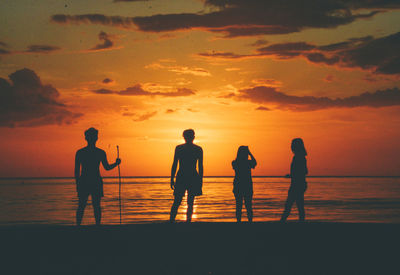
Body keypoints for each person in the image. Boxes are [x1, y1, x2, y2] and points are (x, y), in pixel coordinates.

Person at [74, 127, 121, 226]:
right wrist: (116, 164)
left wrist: (78, 184)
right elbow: (107, 168)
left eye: (94, 136)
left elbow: (76, 171)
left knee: (84, 205)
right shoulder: (99, 152)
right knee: (94, 206)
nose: (93, 138)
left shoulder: (81, 152)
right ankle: (96, 226)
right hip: (92, 181)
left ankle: (80, 226)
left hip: (87, 181)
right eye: (93, 136)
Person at [170, 129, 203, 223]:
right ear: (193, 137)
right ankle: (186, 221)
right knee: (187, 202)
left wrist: (172, 178)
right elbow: (200, 167)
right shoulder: (197, 149)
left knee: (178, 201)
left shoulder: (180, 148)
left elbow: (174, 164)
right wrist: (200, 180)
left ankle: (174, 221)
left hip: (184, 176)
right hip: (189, 176)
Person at [280, 138, 308, 222]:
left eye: (292, 145)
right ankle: (300, 222)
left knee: (289, 205)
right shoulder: (301, 157)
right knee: (299, 205)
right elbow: (305, 171)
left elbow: (304, 171)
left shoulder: (298, 157)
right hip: (300, 184)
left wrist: (292, 175)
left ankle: (281, 222)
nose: (291, 147)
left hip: (297, 184)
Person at [232, 146, 257, 222]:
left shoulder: (236, 162)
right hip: (245, 186)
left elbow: (255, 163)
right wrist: (250, 153)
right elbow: (255, 162)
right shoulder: (245, 163)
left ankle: (240, 221)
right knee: (247, 205)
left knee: (240, 205)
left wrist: (249, 153)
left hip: (240, 186)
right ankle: (248, 221)